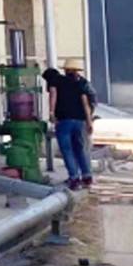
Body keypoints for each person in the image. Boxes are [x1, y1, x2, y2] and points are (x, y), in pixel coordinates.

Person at [43, 59, 94, 190]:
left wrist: (51, 113)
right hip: (80, 121)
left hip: (64, 120)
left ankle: (74, 179)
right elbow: (85, 103)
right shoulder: (79, 83)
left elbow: (53, 94)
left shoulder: (55, 81)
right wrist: (89, 121)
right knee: (80, 149)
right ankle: (87, 177)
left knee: (67, 151)